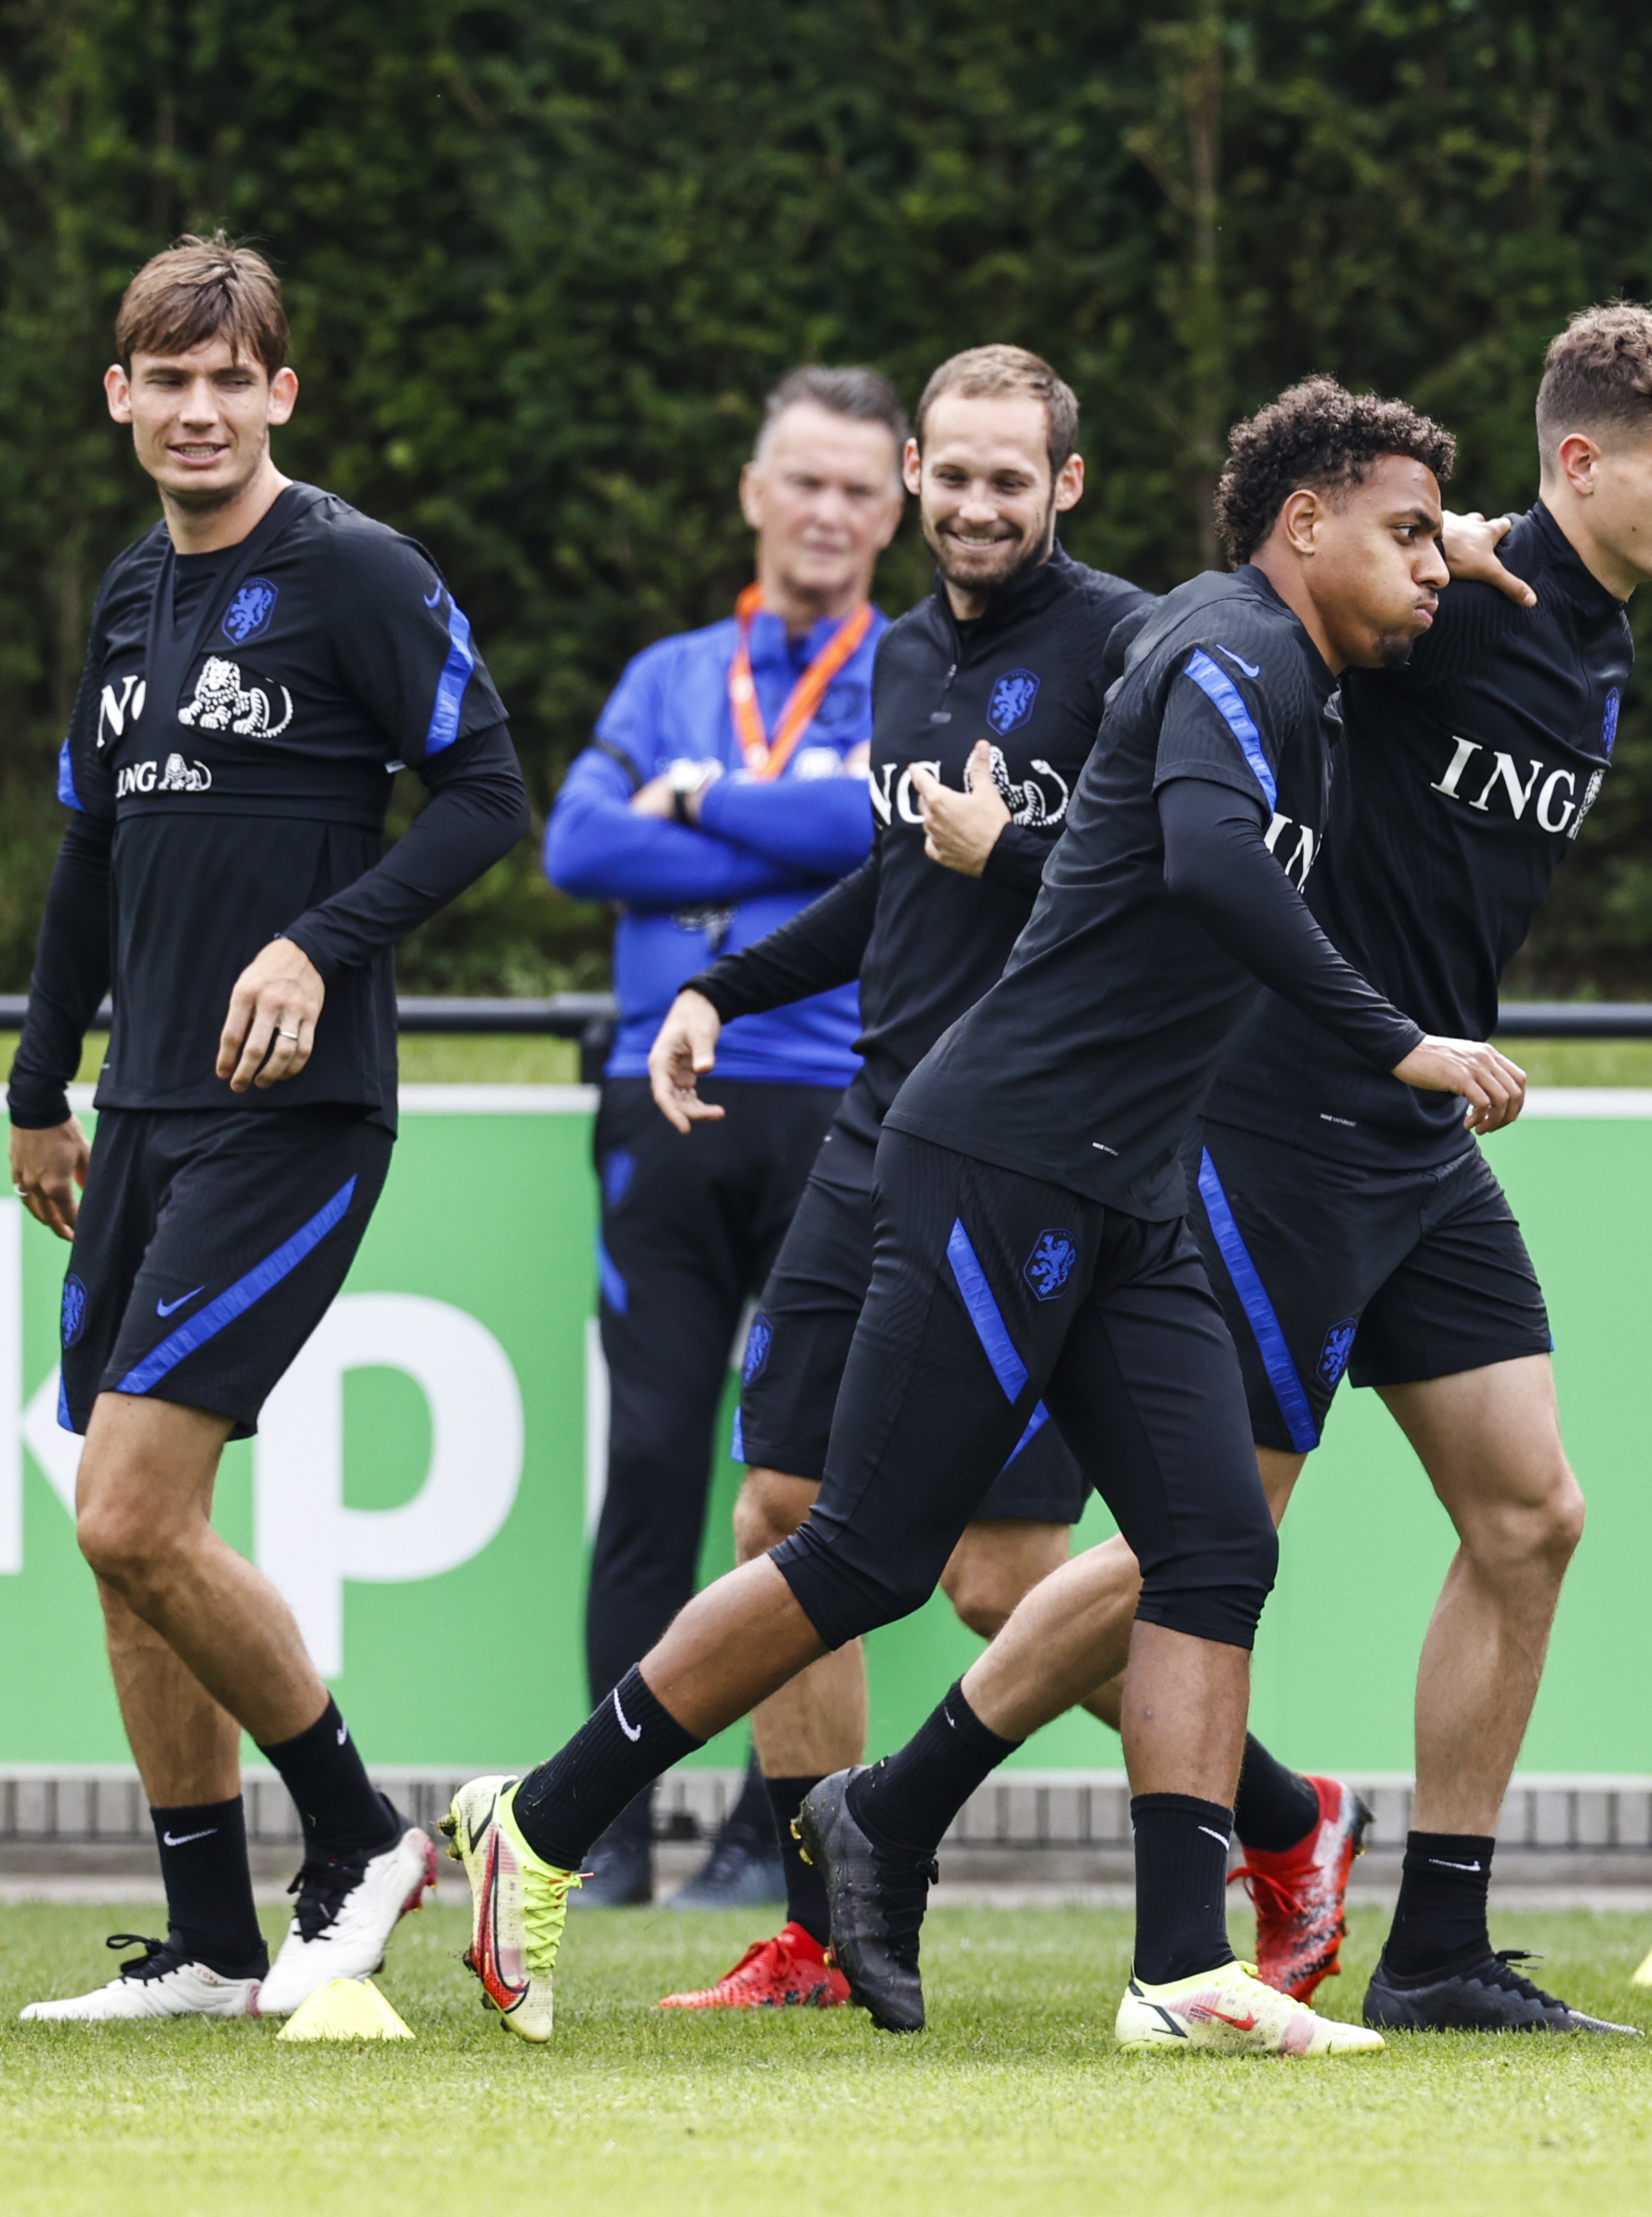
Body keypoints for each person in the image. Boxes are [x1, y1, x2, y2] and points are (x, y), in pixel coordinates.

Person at [441, 377, 1525, 2058]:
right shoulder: (1226, 650)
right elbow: (1213, 871)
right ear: (1304, 526)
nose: (1433, 571)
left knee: (1214, 1546)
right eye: (1405, 536)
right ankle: (541, 1824)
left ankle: (1176, 1972)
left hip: (1127, 1177)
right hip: (1008, 1151)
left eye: (1005, 474)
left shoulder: (1259, 655)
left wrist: (1458, 536)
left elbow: (1207, 832)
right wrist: (1399, 1041)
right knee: (862, 1552)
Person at [800, 303, 1652, 2038]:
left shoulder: (1597, 638)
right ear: (1578, 463)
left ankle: (1440, 1953)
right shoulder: (1456, 588)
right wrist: (1459, 550)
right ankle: (899, 1805)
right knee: (1211, 1537)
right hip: (1278, 1116)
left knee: (1532, 1515)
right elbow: (1225, 663)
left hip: (1416, 1134)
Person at [637, 344, 1339, 2013]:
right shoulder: (895, 654)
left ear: (1067, 485)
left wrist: (1007, 847)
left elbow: (1168, 890)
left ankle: (1283, 1815)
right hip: (883, 1125)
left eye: (1005, 480)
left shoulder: (1134, 645)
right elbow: (898, 891)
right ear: (909, 488)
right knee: (783, 1508)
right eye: (944, 479)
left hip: (1039, 1152)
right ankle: (818, 1934)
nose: (970, 506)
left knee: (997, 1577)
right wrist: (720, 988)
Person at [5, 234, 527, 2020]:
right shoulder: (128, 592)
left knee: (133, 1515)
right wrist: (33, 1089)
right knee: (118, 1518)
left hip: (292, 1114)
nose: (202, 408)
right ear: (122, 397)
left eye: (235, 378)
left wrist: (323, 941)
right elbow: (90, 853)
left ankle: (360, 1830)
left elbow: (486, 793)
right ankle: (213, 1939)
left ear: (282, 393)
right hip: (136, 1114)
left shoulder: (357, 571)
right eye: (171, 378)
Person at [538, 366, 902, 1908]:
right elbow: (575, 845)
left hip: (843, 1100)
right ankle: (609, 1826)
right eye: (800, 482)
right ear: (754, 492)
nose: (826, 512)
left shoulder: (917, 670)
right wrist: (773, 806)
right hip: (660, 1105)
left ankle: (779, 1833)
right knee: (654, 1462)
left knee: (803, 1489)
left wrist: (704, 809)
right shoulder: (669, 673)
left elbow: (881, 829)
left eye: (856, 490)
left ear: (893, 512)